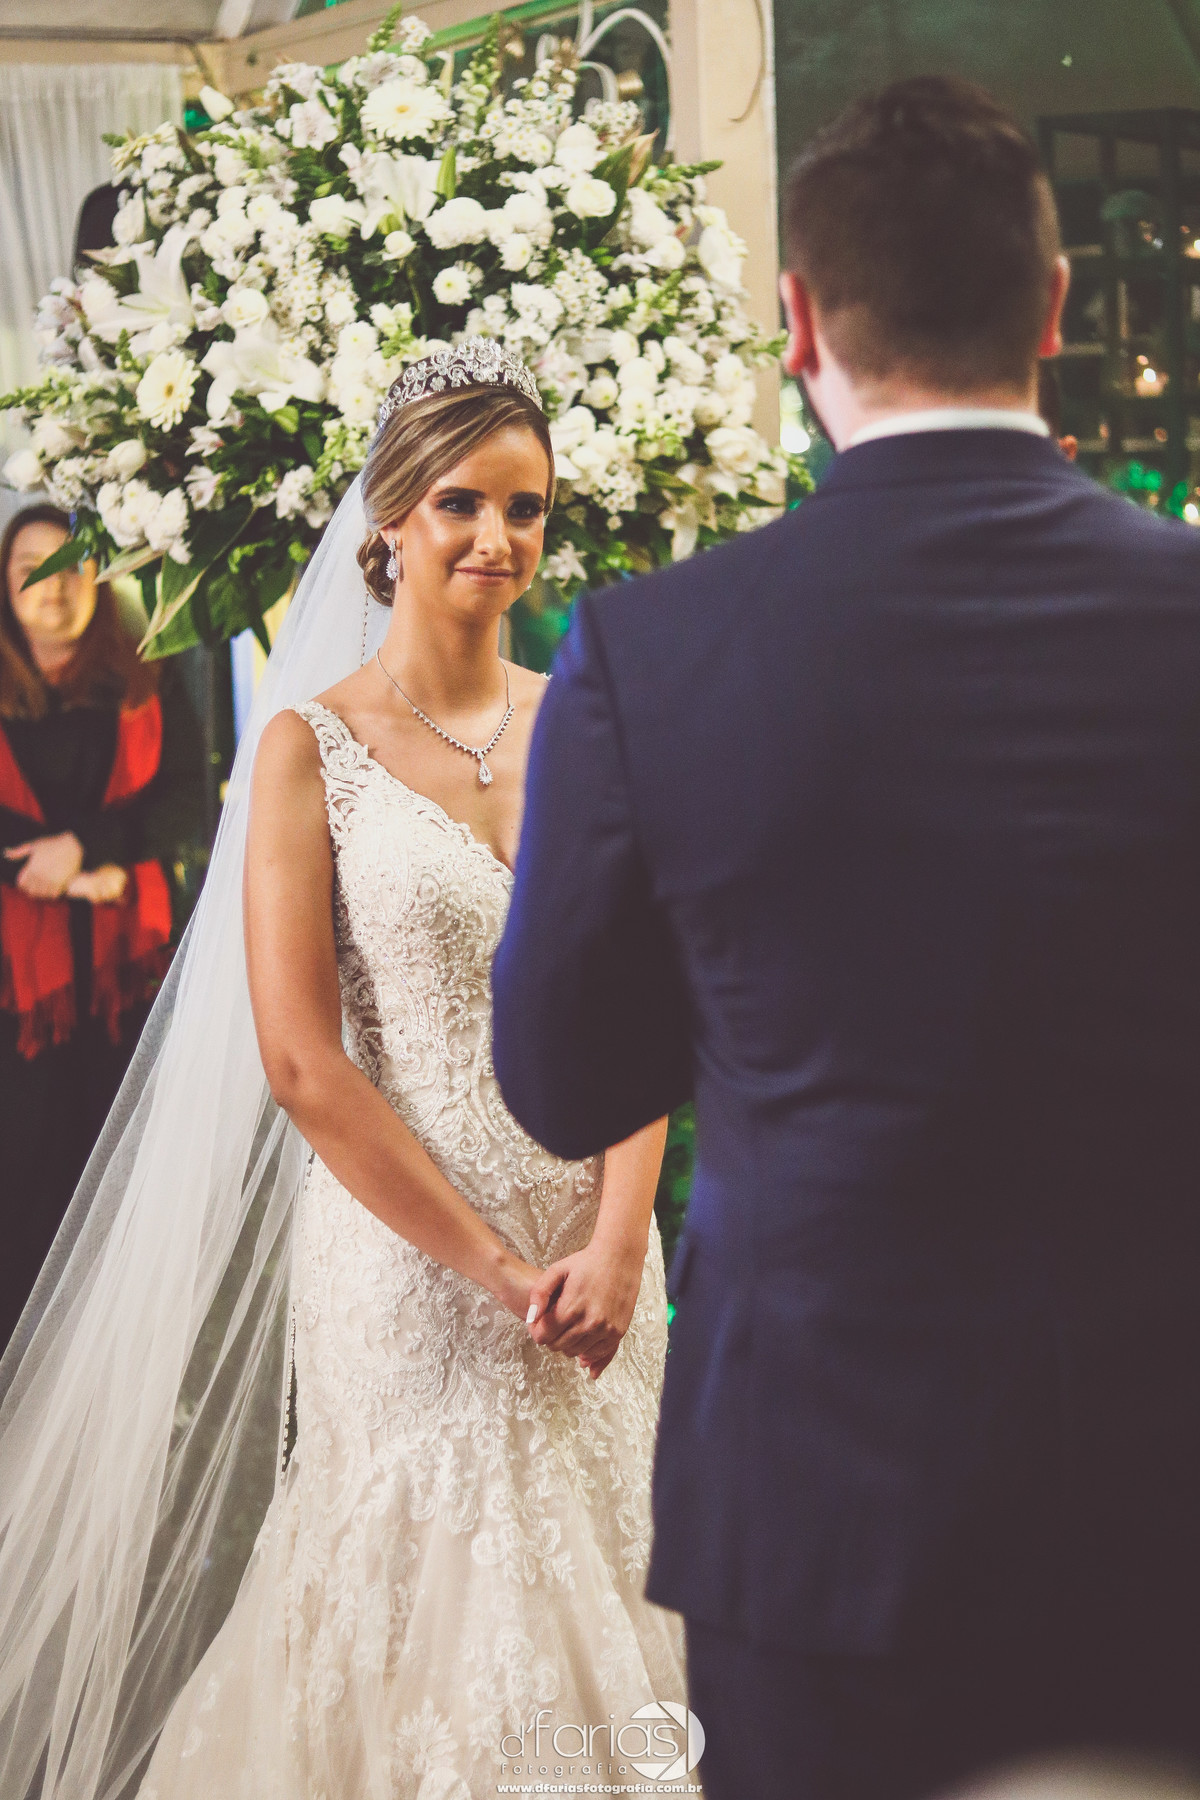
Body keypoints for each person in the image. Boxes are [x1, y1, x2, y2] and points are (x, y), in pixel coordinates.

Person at [493, 76, 1200, 1799]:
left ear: (797, 321)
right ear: (1053, 309)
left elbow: (562, 1075)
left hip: (821, 1502)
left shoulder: (653, 652)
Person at [0, 346, 687, 1800]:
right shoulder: (307, 749)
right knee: (433, 1613)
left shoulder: (591, 723)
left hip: (601, 1262)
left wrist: (622, 1237)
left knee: (620, 1579)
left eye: (526, 507)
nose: (497, 537)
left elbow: (647, 996)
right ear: (388, 518)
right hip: (410, 1270)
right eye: (461, 503)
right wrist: (498, 1271)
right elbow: (303, 1062)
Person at [0, 503, 202, 1352]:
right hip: (18, 990)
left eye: (72, 566)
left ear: (100, 578)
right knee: (22, 1163)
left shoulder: (147, 672)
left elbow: (189, 803)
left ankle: (112, 1354)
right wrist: (60, 871)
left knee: (117, 1159)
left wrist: (89, 848)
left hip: (130, 976)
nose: (54, 587)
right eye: (31, 571)